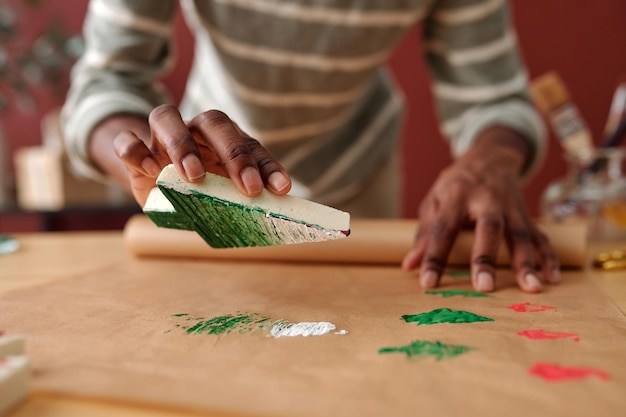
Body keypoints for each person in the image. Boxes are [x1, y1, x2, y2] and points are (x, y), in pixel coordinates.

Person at [61, 0, 560, 293]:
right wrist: (144, 159)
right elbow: (107, 83)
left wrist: (491, 157)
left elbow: (494, 100)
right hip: (209, 181)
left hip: (359, 170)